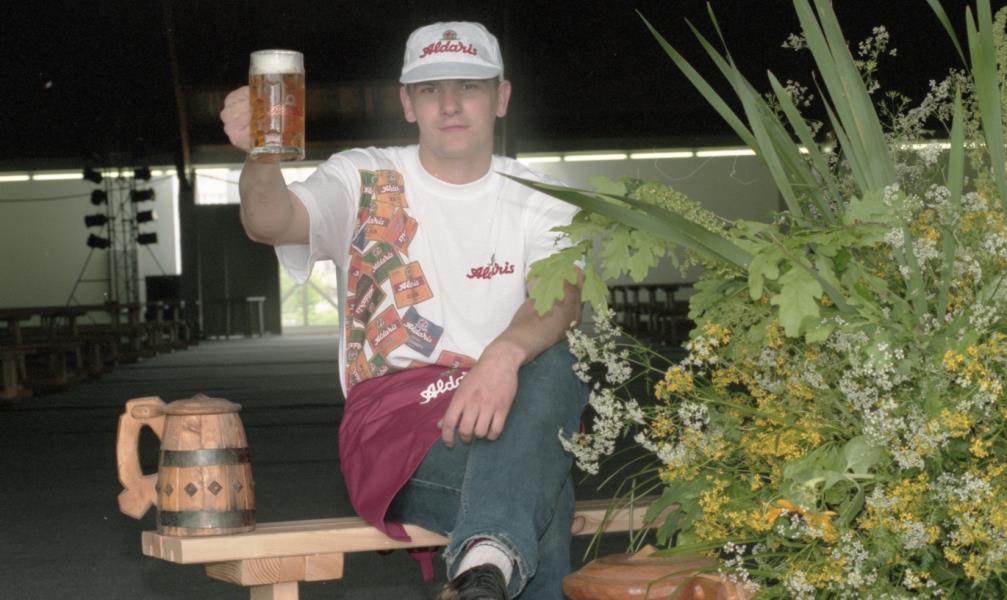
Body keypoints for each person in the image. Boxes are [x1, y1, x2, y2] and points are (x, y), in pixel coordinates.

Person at [220, 21, 587, 599]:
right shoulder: (362, 177)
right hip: (395, 424)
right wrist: (261, 156)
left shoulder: (543, 197)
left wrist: (503, 354)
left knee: (558, 363)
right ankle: (489, 554)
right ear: (407, 103)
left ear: (502, 97)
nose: (450, 104)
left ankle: (483, 568)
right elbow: (270, 221)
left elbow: (562, 296)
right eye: (430, 88)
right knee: (542, 489)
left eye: (468, 86)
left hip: (506, 410)